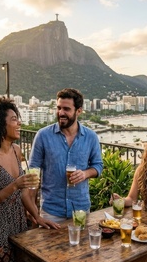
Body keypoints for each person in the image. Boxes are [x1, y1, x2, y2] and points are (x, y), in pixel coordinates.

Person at [0, 97, 59, 262]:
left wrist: (37, 217)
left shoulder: (16, 150)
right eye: (14, 119)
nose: (19, 123)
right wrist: (14, 185)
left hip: (18, 227)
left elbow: (24, 192)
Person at [29, 88, 103, 222]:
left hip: (81, 210)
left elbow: (98, 166)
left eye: (66, 109)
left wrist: (85, 174)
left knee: (80, 243)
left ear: (79, 111)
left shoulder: (91, 137)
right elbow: (33, 173)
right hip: (51, 212)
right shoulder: (42, 135)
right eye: (58, 108)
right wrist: (33, 210)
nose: (61, 113)